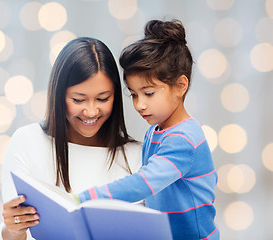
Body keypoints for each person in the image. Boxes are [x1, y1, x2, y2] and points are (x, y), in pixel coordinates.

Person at [76, 20, 219, 240]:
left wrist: (85, 198)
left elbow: (145, 183)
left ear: (181, 85)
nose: (139, 104)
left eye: (149, 93)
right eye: (134, 94)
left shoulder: (184, 139)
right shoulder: (157, 131)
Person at [0, 37, 142, 240]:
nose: (91, 111)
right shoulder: (27, 142)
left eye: (103, 98)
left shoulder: (137, 156)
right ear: (58, 95)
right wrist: (13, 230)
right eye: (78, 99)